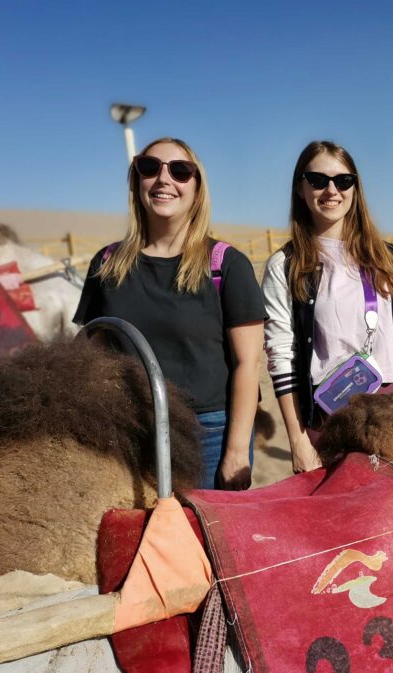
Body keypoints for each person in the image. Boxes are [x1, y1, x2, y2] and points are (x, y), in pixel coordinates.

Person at [75, 137, 265, 491]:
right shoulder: (106, 264)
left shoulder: (226, 265)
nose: (164, 179)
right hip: (127, 431)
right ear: (137, 181)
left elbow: (248, 364)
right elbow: (92, 356)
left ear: (196, 188)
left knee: (202, 540)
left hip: (207, 433)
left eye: (180, 171)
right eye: (150, 168)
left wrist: (237, 453)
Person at [262, 141, 393, 474]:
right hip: (329, 417)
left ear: (355, 187)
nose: (331, 190)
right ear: (300, 187)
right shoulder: (285, 265)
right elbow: (280, 356)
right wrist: (298, 442)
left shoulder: (385, 257)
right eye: (318, 180)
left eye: (343, 180)